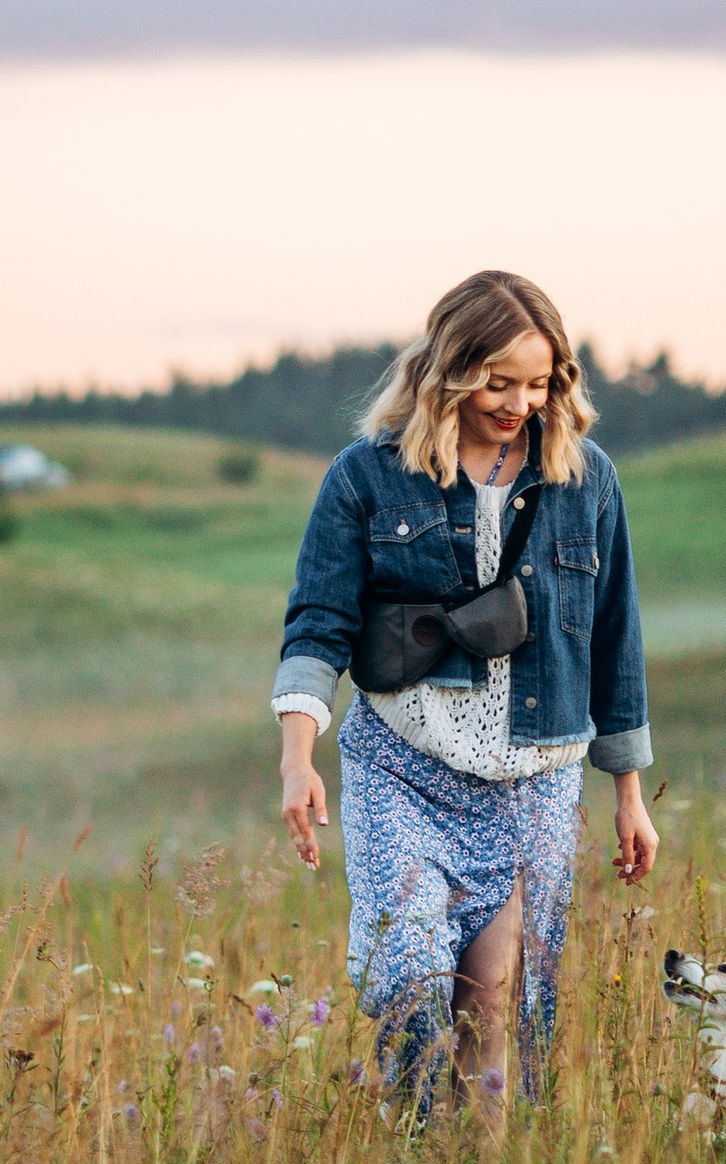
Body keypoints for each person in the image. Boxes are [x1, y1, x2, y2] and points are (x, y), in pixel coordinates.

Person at [273, 269, 657, 1113]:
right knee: (409, 980)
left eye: (539, 382)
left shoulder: (586, 480)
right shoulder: (365, 479)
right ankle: (413, 1147)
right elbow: (317, 624)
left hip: (535, 784)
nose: (520, 402)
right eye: (497, 381)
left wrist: (629, 793)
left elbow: (614, 639)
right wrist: (298, 757)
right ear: (448, 368)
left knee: (495, 1002)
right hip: (403, 770)